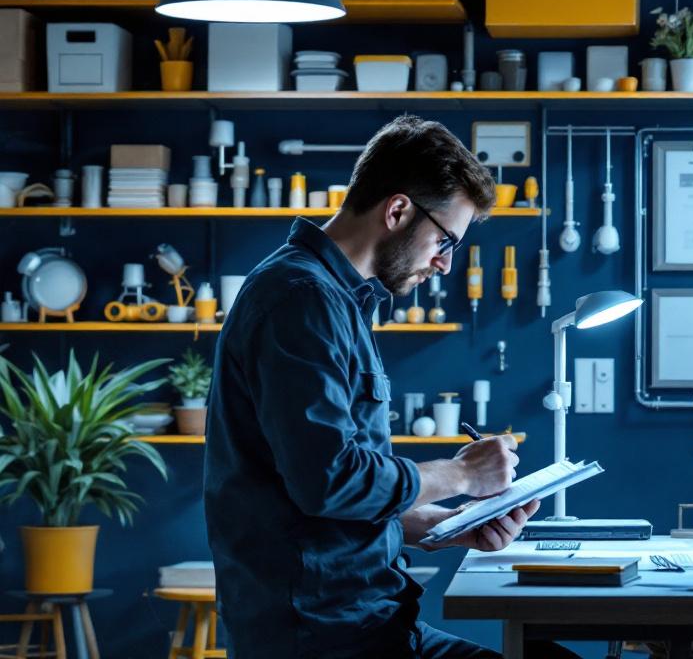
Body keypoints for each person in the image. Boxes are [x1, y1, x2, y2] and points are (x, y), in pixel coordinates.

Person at [204, 115, 552, 659]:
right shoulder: (301, 298)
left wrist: (446, 526)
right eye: (444, 240)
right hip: (322, 636)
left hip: (366, 623)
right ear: (397, 211)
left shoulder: (339, 301)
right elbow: (329, 481)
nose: (443, 263)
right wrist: (462, 473)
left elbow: (321, 500)